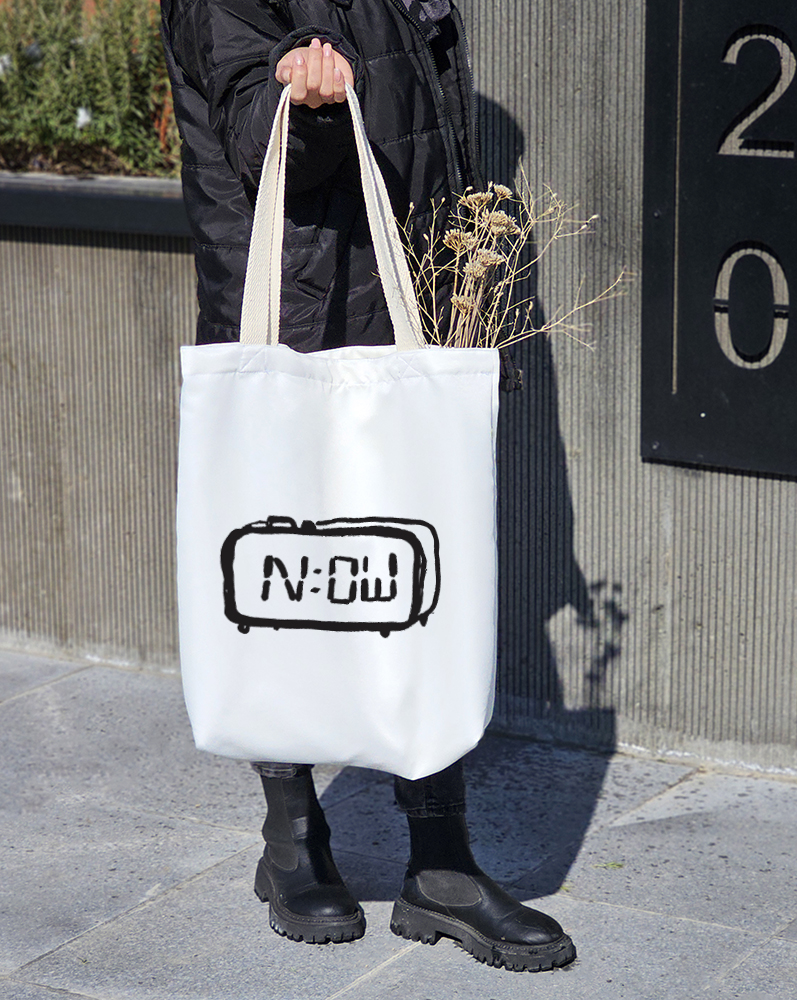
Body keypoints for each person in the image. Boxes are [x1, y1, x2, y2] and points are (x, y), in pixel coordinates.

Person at [159, 0, 574, 973]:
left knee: (417, 580)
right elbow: (254, 135)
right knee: (287, 573)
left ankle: (442, 861)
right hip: (297, 301)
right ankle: (293, 837)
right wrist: (301, 106)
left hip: (399, 298)